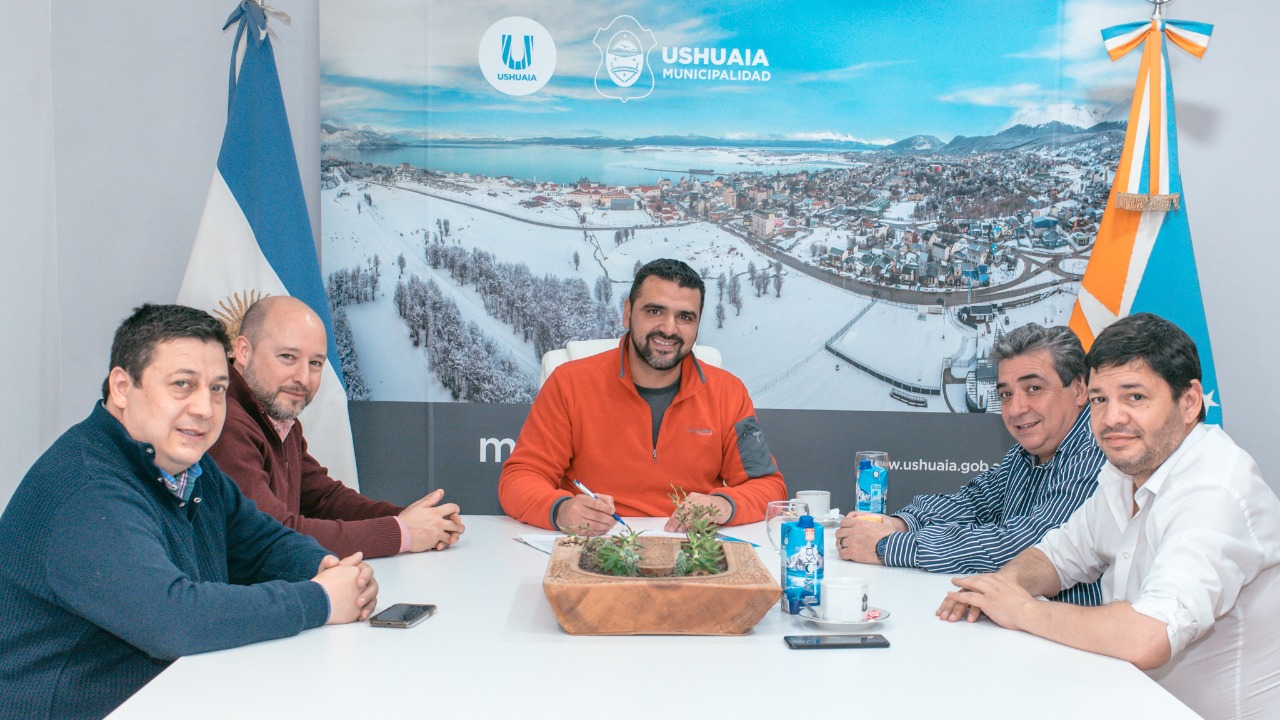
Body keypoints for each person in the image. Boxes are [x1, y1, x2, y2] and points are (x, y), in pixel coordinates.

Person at [0, 304, 379, 720]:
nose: (204, 408)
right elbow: (174, 619)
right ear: (123, 388)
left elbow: (259, 542)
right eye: (183, 385)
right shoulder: (86, 488)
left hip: (174, 694)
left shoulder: (187, 466)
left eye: (218, 388)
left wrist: (325, 566)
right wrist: (320, 599)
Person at [938, 313, 1280, 718]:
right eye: (1101, 399)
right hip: (1128, 700)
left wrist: (1022, 610)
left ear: (1189, 401)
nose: (1112, 418)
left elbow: (1150, 635)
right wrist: (1002, 587)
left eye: (1134, 397)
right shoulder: (1125, 470)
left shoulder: (1215, 488)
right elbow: (1057, 556)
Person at [499, 258, 787, 533]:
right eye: (654, 311)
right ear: (627, 312)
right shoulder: (569, 383)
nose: (669, 328)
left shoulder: (728, 392)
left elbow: (768, 487)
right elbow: (519, 479)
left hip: (691, 551)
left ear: (698, 325)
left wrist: (724, 504)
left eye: (685, 317)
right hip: (594, 547)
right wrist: (560, 509)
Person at [835, 323, 1105, 605]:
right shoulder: (1026, 453)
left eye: (1034, 388)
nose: (1016, 409)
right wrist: (900, 523)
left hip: (1073, 638)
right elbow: (973, 502)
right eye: (1006, 394)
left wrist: (886, 545)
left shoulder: (1095, 450)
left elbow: (1028, 546)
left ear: (1078, 389)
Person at [209, 296, 464, 559]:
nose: (303, 378)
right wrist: (403, 532)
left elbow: (324, 499)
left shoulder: (275, 415)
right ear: (243, 351)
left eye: (315, 363)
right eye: (287, 357)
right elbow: (274, 535)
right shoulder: (224, 423)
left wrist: (410, 518)